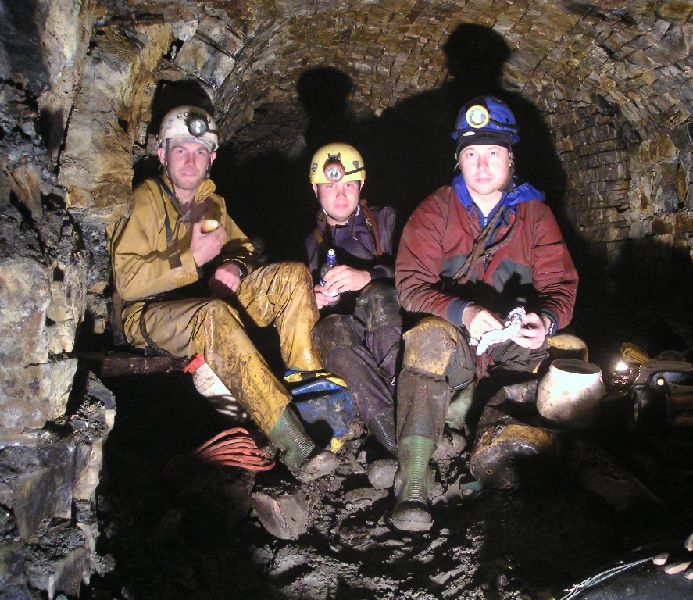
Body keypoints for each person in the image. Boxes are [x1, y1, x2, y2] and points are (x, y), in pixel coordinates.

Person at [109, 105, 338, 482]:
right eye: (180, 150)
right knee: (213, 315)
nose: (190, 160)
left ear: (211, 159)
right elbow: (127, 281)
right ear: (162, 153)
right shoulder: (144, 202)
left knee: (293, 276)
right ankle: (292, 441)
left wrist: (234, 266)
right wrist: (189, 260)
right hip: (150, 315)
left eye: (200, 152)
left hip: (205, 301)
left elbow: (242, 247)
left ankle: (311, 394)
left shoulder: (210, 202)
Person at [391, 96, 579, 531]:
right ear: (458, 159)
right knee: (427, 341)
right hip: (457, 342)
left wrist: (545, 321)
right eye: (471, 153)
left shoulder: (535, 215)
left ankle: (476, 428)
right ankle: (413, 481)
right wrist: (463, 310)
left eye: (493, 152)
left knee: (566, 361)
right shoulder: (434, 210)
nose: (481, 164)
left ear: (511, 158)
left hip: (511, 347)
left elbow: (561, 287)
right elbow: (410, 287)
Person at [305, 143, 402, 455]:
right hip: (346, 338)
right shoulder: (309, 242)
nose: (341, 194)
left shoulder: (388, 221)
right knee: (330, 330)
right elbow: (290, 298)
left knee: (380, 297)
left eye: (349, 184)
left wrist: (369, 277)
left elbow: (421, 275)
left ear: (362, 185)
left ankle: (406, 413)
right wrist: (312, 300)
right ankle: (394, 438)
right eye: (331, 186)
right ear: (316, 189)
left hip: (387, 326)